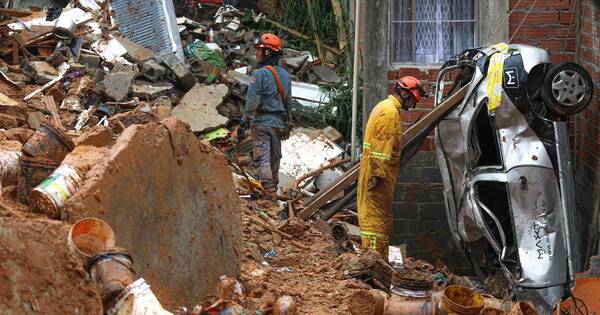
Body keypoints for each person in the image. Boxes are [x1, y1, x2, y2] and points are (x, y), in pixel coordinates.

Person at [357, 76, 426, 260]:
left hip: (376, 176)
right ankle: (372, 267)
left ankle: (374, 263)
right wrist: (377, 177)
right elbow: (380, 150)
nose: (412, 106)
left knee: (378, 222)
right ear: (404, 93)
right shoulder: (389, 113)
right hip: (377, 179)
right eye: (412, 100)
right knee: (376, 225)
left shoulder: (384, 107)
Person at [239, 33, 292, 200]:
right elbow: (288, 102)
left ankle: (269, 194)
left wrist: (243, 123)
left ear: (268, 53)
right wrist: (287, 122)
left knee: (263, 158)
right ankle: (273, 189)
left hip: (261, 123)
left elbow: (252, 101)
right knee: (275, 158)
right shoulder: (286, 76)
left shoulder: (259, 74)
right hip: (278, 124)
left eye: (259, 50)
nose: (256, 53)